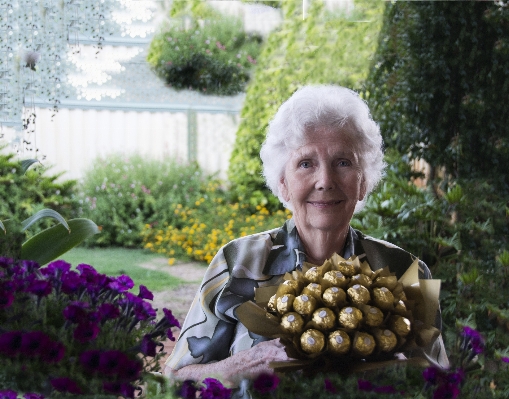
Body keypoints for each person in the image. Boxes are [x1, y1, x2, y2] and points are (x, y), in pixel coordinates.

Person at [165, 85, 448, 386]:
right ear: (283, 183)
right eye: (306, 163)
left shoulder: (406, 271)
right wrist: (238, 366)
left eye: (343, 162)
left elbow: (443, 384)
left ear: (363, 181)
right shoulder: (237, 262)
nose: (325, 181)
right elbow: (173, 379)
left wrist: (404, 374)